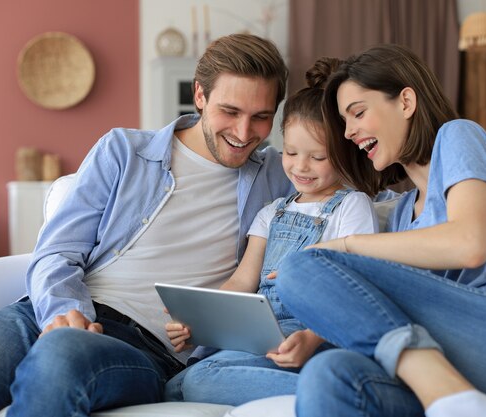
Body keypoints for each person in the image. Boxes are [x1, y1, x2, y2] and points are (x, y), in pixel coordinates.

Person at [0, 33, 293, 417]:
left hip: (146, 351)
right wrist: (65, 313)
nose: (243, 132)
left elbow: (357, 190)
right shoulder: (124, 151)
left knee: (62, 354)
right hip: (63, 311)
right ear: (200, 95)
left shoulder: (281, 174)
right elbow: (58, 250)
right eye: (230, 111)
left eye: (262, 117)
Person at [276, 44, 486, 417]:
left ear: (406, 101)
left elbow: (469, 244)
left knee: (299, 269)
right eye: (344, 122)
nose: (350, 132)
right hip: (465, 371)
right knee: (329, 375)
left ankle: (441, 388)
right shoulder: (404, 213)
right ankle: (451, 397)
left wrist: (347, 247)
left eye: (357, 113)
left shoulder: (458, 137)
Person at [165, 57, 391, 406]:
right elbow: (243, 281)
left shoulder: (352, 206)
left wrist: (312, 338)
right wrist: (200, 320)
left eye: (318, 158)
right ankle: (324, 390)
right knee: (175, 385)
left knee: (198, 382)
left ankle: (344, 395)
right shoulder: (272, 212)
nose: (301, 166)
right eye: (291, 152)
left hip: (317, 333)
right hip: (263, 335)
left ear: (346, 152)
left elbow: (356, 291)